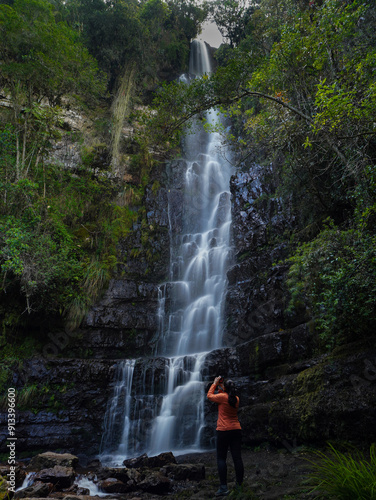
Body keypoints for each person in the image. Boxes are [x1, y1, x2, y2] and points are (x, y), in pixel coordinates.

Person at [207, 376, 244, 497]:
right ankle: (239, 486)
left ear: (225, 388)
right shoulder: (236, 399)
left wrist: (214, 383)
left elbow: (210, 396)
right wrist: (222, 387)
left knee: (221, 459)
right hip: (236, 430)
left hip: (223, 431)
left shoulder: (222, 397)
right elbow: (225, 396)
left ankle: (223, 487)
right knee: (237, 458)